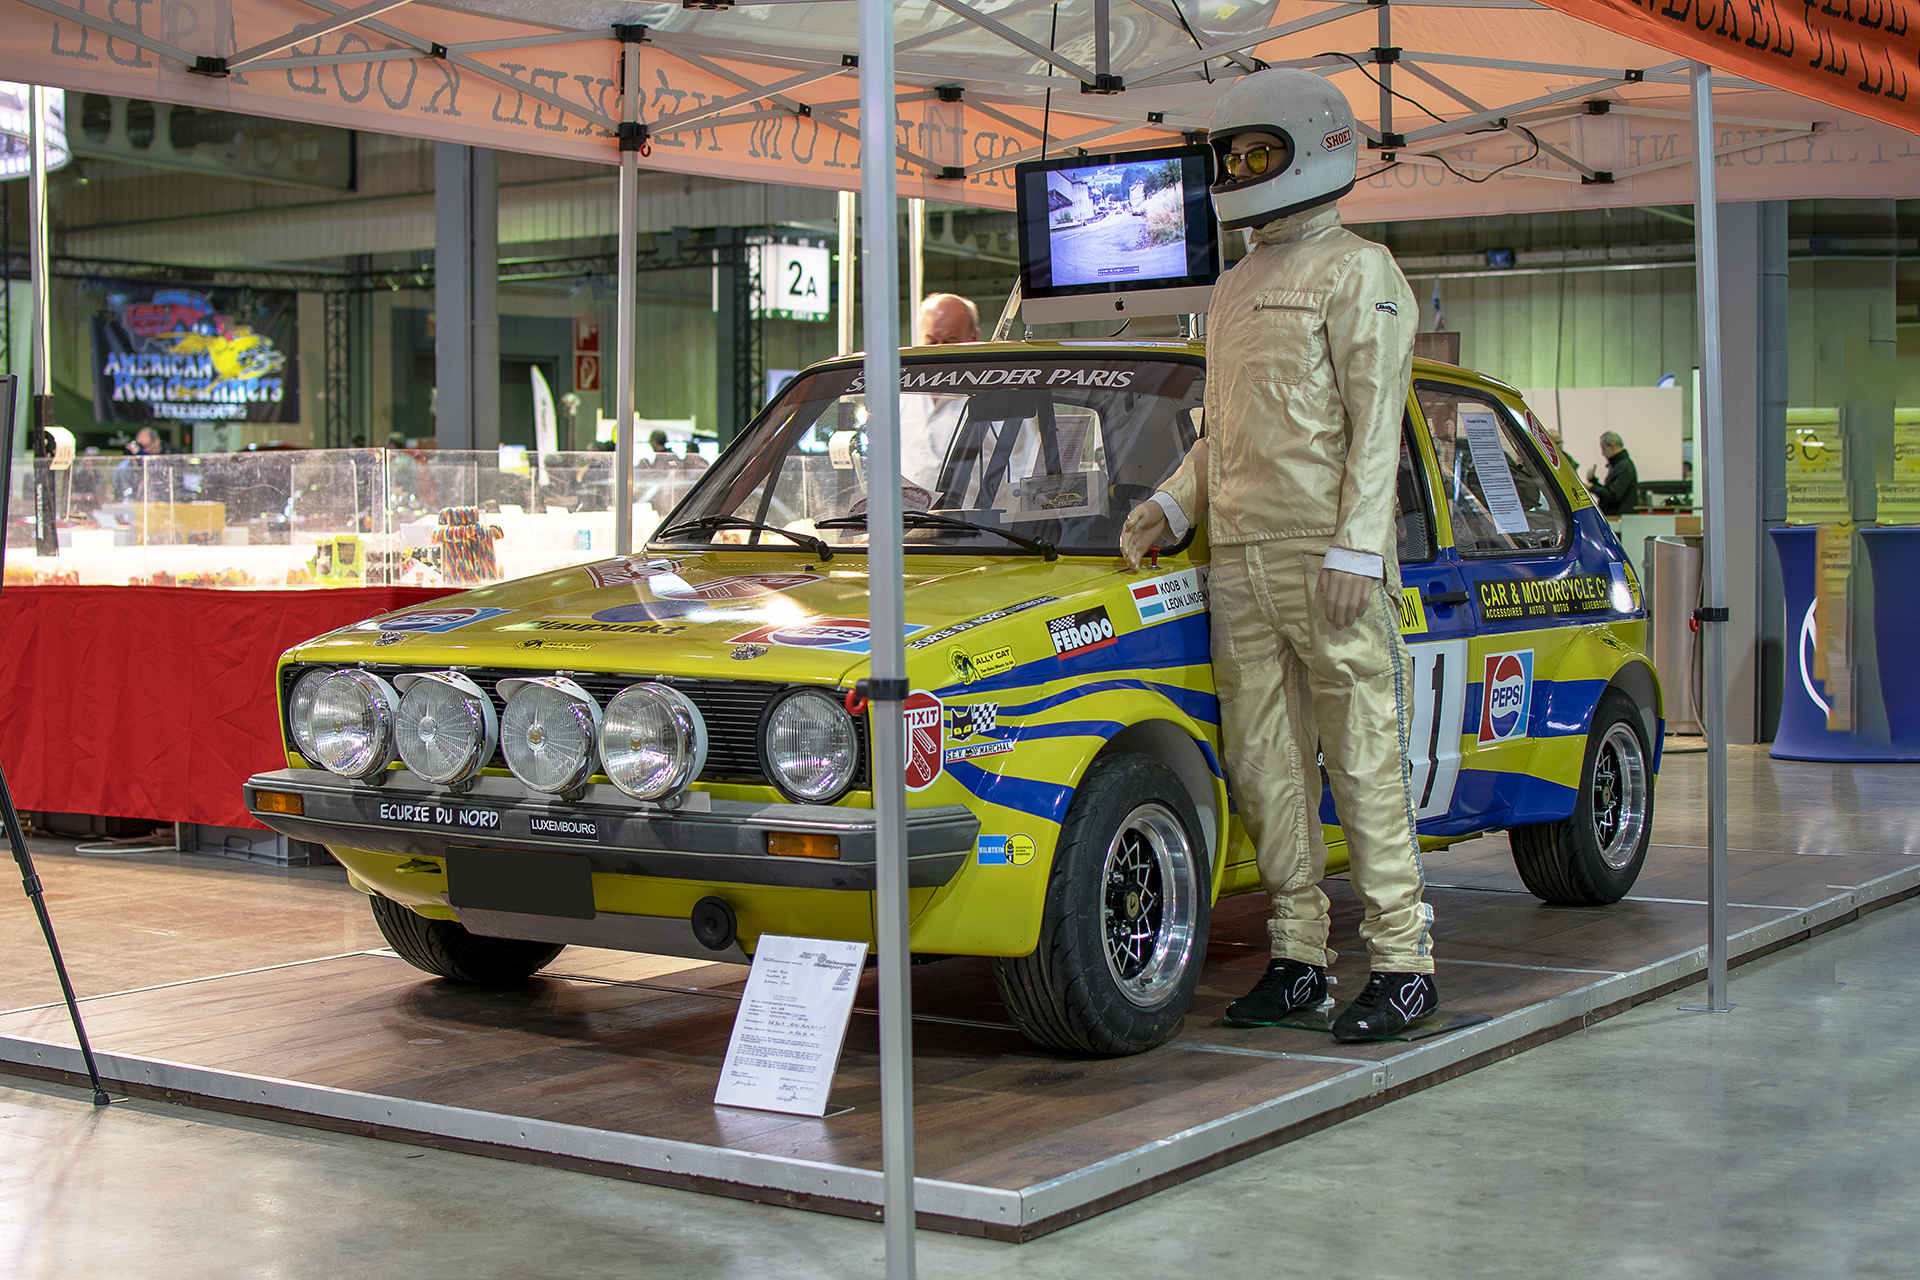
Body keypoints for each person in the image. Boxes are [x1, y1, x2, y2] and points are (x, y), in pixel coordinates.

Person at [1120, 68, 1437, 1043]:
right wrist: (1174, 501)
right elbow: (1230, 429)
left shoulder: (1361, 271)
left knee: (1364, 758)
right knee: (1266, 767)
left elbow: (1378, 422)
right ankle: (1300, 955)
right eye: (1233, 157)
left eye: (1259, 153)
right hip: (1243, 556)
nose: (1243, 171)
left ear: (1317, 146)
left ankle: (1405, 960)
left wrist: (1358, 543)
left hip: (1326, 557)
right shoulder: (1236, 284)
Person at [900, 293, 980, 492]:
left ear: (974, 338)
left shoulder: (999, 401)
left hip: (967, 521)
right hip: (903, 520)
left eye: (950, 341)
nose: (940, 351)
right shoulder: (901, 397)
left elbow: (1023, 466)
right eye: (932, 341)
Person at [1585, 431, 1637, 518]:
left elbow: (1613, 496)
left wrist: (1592, 487)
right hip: (1617, 517)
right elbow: (1609, 491)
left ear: (1612, 446)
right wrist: (1593, 482)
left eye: (1603, 448)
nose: (1602, 453)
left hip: (1619, 518)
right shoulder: (1619, 465)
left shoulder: (1624, 467)